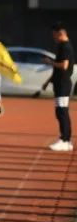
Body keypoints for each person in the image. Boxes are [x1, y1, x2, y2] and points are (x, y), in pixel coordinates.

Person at [46, 23, 74, 152]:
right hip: (60, 83)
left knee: (62, 112)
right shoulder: (62, 46)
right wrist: (48, 81)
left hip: (63, 84)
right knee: (60, 111)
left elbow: (64, 65)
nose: (53, 38)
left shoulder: (65, 47)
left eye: (54, 35)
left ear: (60, 33)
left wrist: (50, 62)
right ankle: (65, 140)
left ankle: (65, 139)